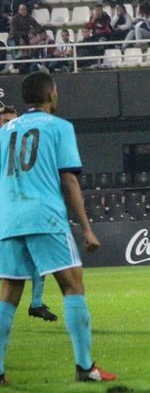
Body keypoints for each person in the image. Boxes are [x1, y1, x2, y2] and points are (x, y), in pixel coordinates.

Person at [0, 73, 117, 385]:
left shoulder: (4, 132)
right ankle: (85, 367)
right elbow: (69, 180)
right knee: (72, 285)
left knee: (8, 293)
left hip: (9, 218)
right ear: (51, 94)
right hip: (45, 217)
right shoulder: (60, 127)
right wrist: (87, 229)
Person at [0, 107, 58, 323]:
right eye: (5, 120)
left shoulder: (22, 150)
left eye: (12, 121)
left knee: (37, 261)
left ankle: (36, 304)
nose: (9, 125)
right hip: (6, 214)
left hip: (22, 213)